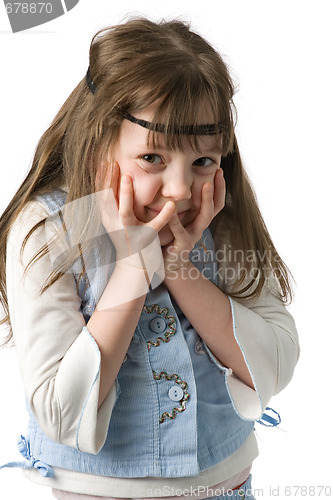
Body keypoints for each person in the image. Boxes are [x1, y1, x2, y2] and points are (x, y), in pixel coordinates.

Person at [0, 17, 300, 500]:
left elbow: (273, 366)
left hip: (228, 486)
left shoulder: (220, 218)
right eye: (153, 158)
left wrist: (181, 269)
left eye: (202, 160)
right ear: (100, 140)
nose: (181, 190)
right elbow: (60, 410)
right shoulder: (48, 233)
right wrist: (133, 271)